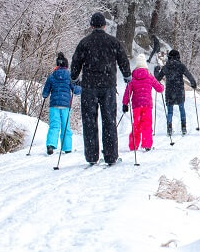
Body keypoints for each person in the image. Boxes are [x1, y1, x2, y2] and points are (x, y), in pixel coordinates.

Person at [70, 12, 131, 166]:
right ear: (104, 25)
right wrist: (127, 75)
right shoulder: (113, 42)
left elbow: (76, 61)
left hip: (89, 87)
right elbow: (123, 58)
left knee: (89, 121)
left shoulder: (85, 42)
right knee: (109, 120)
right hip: (108, 86)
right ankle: (110, 156)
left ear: (91, 26)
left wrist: (75, 77)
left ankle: (91, 156)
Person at [41, 52, 81, 155]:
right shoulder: (70, 76)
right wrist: (81, 86)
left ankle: (51, 145)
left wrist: (46, 95)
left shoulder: (52, 76)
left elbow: (45, 93)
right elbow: (76, 91)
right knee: (66, 126)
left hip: (54, 105)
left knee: (54, 126)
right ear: (66, 65)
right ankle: (67, 147)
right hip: (65, 105)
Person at [122, 54, 164, 151]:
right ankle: (147, 145)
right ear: (145, 65)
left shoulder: (132, 77)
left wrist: (125, 103)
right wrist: (162, 87)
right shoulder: (149, 76)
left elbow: (127, 92)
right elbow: (159, 88)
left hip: (136, 105)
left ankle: (133, 146)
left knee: (136, 125)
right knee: (147, 124)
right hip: (147, 105)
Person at [154, 49, 197, 136]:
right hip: (179, 90)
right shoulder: (181, 66)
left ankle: (169, 128)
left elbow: (157, 78)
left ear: (169, 57)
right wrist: (193, 83)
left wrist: (156, 70)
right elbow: (189, 75)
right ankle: (183, 127)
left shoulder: (166, 67)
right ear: (178, 57)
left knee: (170, 111)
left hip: (170, 91)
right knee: (181, 108)